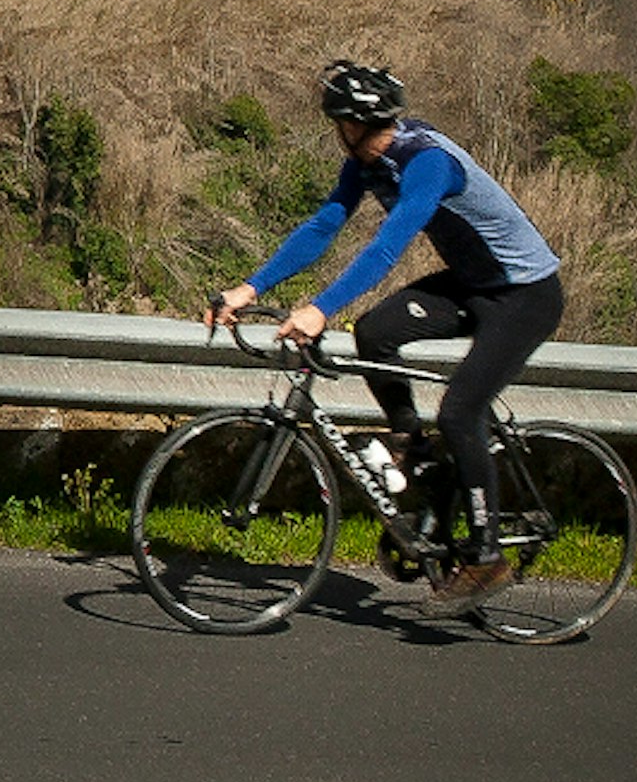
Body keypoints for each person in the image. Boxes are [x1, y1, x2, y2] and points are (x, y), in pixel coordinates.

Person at [201, 59, 566, 614]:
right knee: (374, 333)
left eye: (338, 125)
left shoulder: (428, 163)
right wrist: (250, 288)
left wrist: (321, 309)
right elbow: (324, 226)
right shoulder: (366, 164)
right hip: (472, 284)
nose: (337, 135)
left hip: (524, 296)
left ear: (352, 124)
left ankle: (487, 557)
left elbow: (386, 248)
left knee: (461, 412)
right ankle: (412, 451)